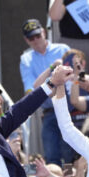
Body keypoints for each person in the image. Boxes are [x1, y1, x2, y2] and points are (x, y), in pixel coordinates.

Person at [19, 18, 70, 165]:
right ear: (26, 40)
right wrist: (52, 68)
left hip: (69, 108)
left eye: (37, 35)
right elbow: (31, 89)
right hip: (49, 111)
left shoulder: (63, 49)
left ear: (43, 32)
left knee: (71, 156)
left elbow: (74, 77)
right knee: (52, 157)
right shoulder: (26, 59)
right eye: (31, 38)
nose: (35, 40)